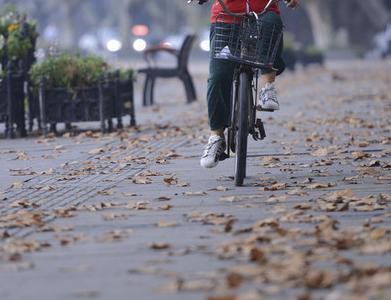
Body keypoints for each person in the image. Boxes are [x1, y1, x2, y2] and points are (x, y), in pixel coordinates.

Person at [198, 0, 300, 168]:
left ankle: (268, 89)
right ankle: (216, 136)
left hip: (263, 15)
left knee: (272, 24)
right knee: (218, 77)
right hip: (226, 17)